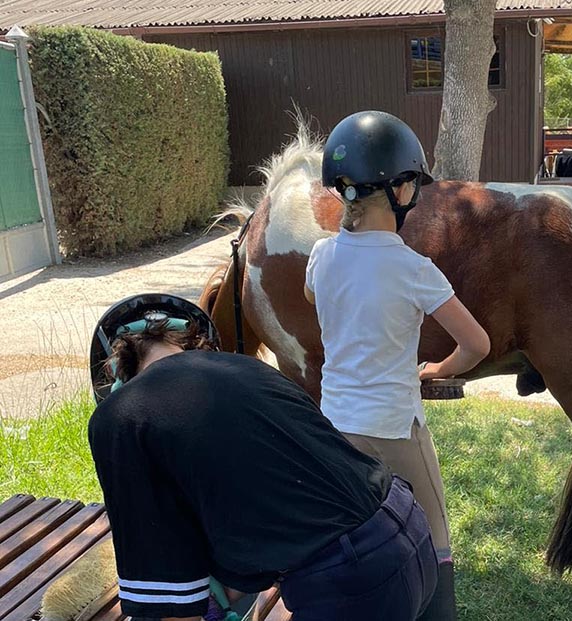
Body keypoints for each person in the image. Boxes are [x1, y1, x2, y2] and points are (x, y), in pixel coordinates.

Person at [87, 293, 438, 621]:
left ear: (119, 373)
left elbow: (171, 610)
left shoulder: (123, 417)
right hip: (409, 529)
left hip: (349, 579)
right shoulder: (250, 373)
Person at [306, 110, 491, 620]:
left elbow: (313, 291)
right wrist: (434, 370)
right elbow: (476, 344)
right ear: (401, 189)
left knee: (355, 527)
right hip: (394, 425)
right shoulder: (414, 269)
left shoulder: (321, 256)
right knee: (434, 534)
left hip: (335, 423)